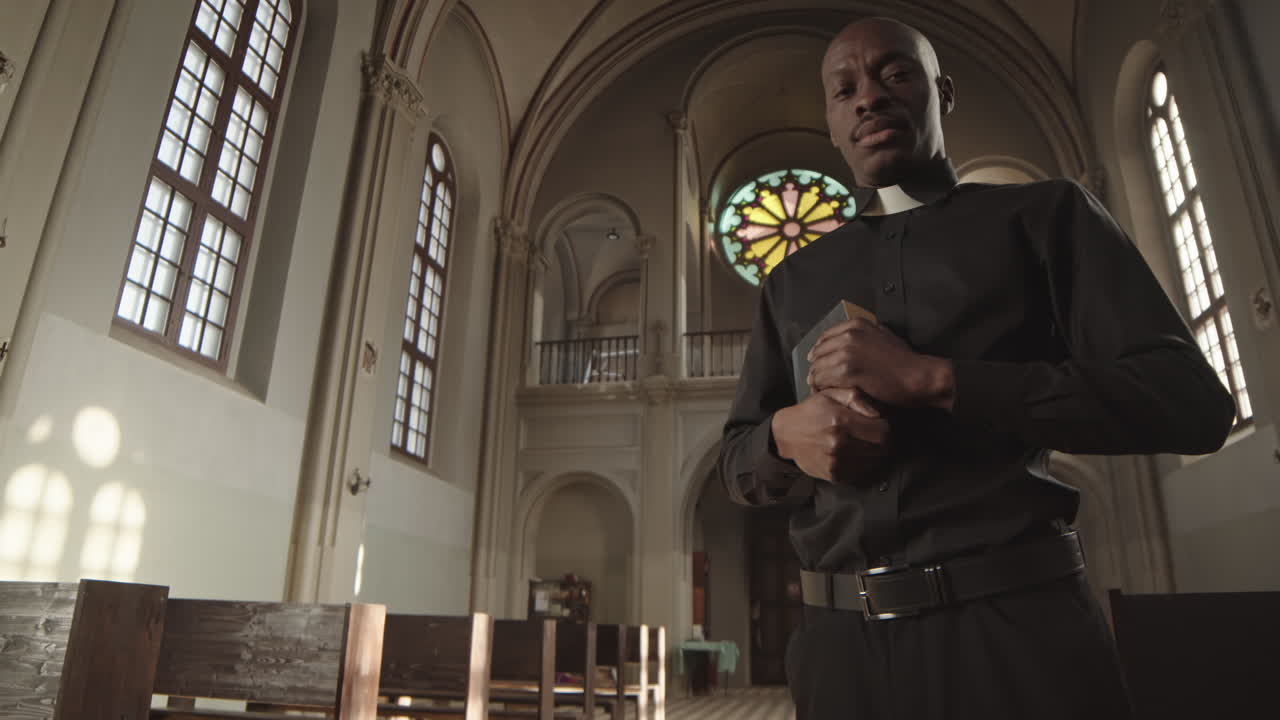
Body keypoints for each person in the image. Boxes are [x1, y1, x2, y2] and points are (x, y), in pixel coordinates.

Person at [717, 16, 1235, 720]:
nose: (868, 97)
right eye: (844, 90)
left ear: (942, 92)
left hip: (1019, 636)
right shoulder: (792, 280)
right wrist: (782, 436)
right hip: (843, 655)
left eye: (895, 74)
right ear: (834, 124)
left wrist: (937, 380)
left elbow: (1191, 403)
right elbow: (736, 462)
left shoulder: (1045, 216)